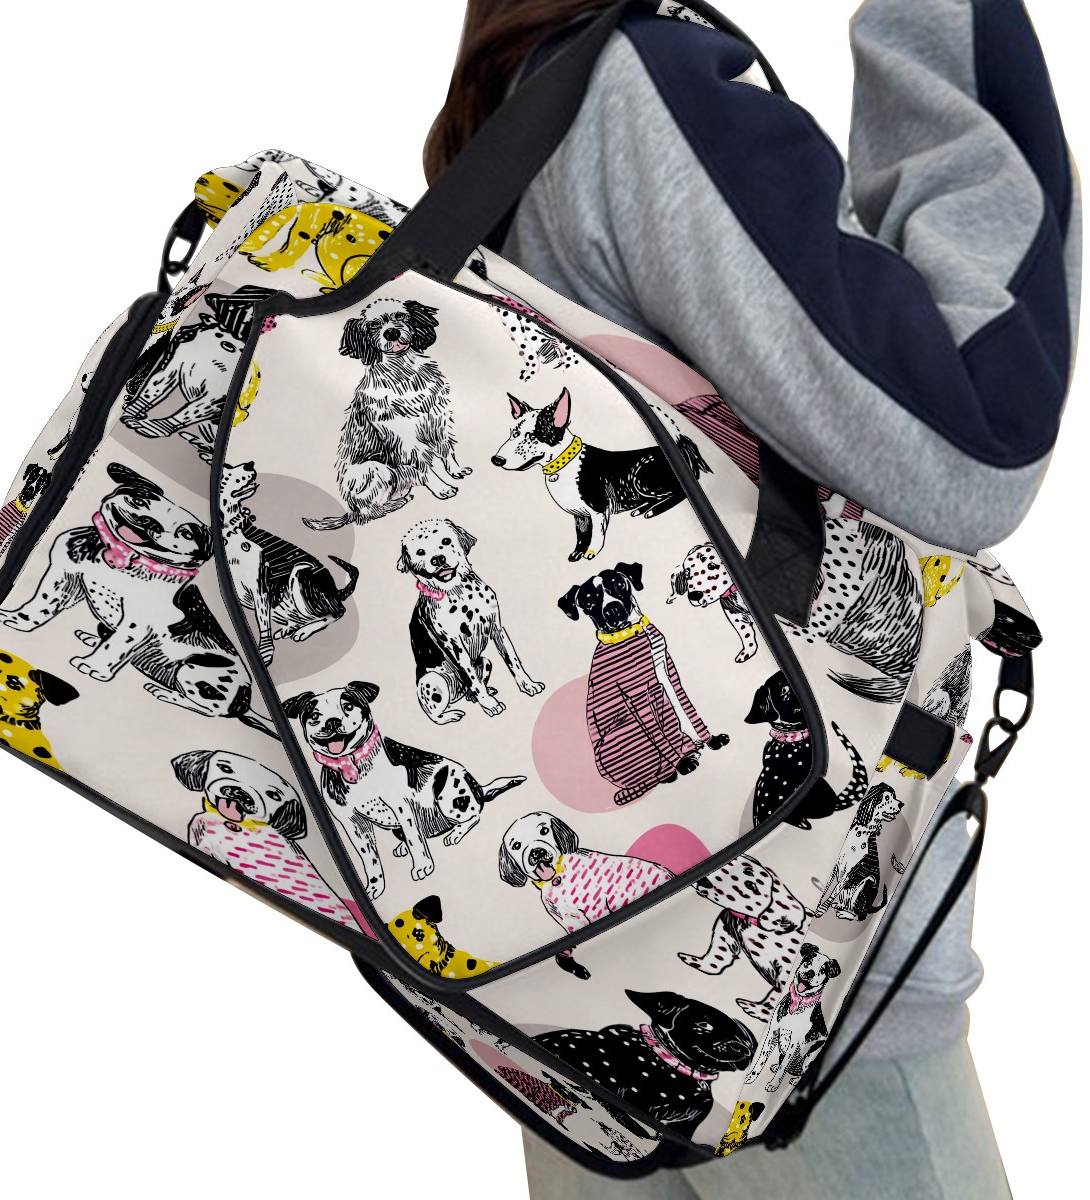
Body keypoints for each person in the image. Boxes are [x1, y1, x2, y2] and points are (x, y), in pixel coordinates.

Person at [424, 2, 1080, 1197]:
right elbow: (974, 437)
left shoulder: (515, 121)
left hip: (561, 991)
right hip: (800, 998)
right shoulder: (642, 91)